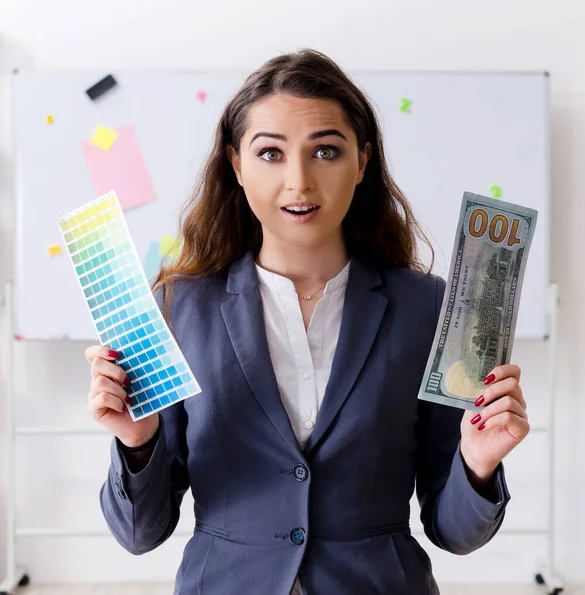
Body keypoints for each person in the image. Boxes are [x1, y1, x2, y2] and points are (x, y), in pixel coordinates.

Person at [84, 49, 530, 595]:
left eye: (325, 150)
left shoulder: (426, 306)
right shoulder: (179, 307)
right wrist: (136, 442)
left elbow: (455, 532)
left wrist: (478, 463)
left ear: (362, 162)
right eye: (270, 153)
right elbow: (140, 533)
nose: (299, 180)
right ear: (236, 164)